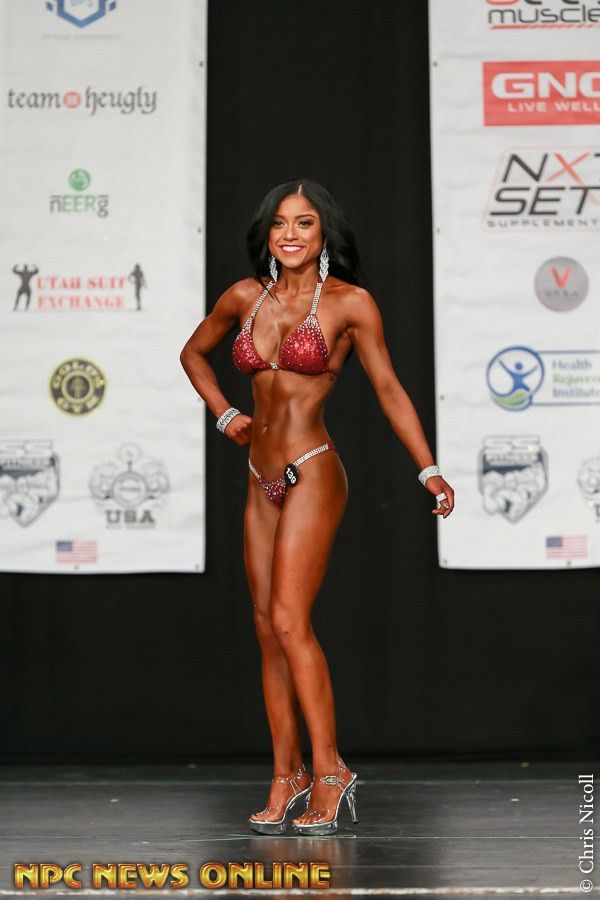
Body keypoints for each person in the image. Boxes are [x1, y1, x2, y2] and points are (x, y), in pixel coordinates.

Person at [179, 179, 454, 836]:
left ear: (324, 231)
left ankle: (331, 770)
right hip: (258, 475)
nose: (290, 234)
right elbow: (193, 353)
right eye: (280, 223)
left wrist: (428, 467)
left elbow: (388, 389)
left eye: (304, 222)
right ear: (268, 233)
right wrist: (224, 413)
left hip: (312, 469)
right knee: (265, 627)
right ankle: (288, 773)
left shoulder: (350, 304)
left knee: (288, 620)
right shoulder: (245, 297)